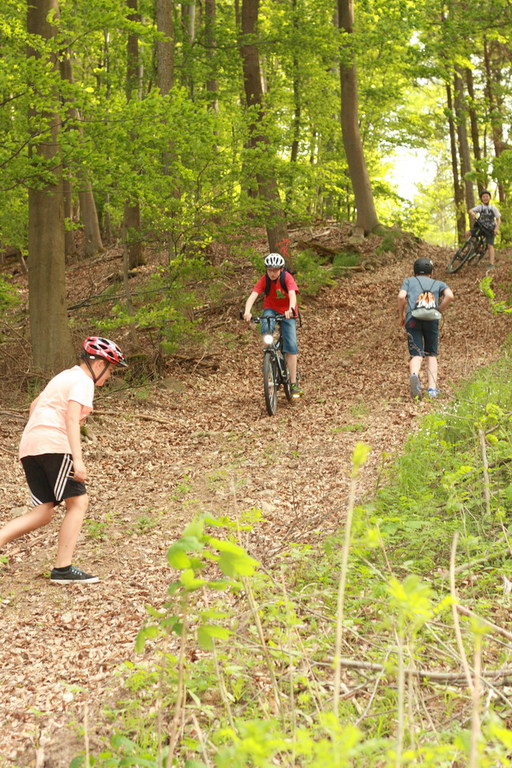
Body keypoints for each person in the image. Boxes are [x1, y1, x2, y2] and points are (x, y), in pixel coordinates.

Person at [0, 337, 127, 583]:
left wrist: (39, 433)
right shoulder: (84, 381)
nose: (110, 375)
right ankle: (63, 569)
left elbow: (34, 405)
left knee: (43, 512)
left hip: (30, 446)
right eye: (110, 369)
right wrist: (77, 460)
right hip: (53, 445)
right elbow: (71, 419)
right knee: (78, 502)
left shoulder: (63, 377)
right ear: (99, 364)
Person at [243, 252, 302, 396]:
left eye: (275, 270)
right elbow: (253, 295)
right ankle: (269, 355)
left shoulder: (287, 278)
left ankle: (293, 383)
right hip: (271, 309)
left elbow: (292, 294)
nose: (272, 273)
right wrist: (247, 312)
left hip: (287, 311)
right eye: (269, 270)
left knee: (291, 345)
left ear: (281, 269)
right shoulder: (265, 280)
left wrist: (291, 309)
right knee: (266, 327)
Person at [398, 257, 454, 400]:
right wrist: (439, 310)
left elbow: (401, 296)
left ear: (414, 271)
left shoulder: (409, 281)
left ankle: (414, 376)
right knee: (431, 354)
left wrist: (402, 314)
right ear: (431, 272)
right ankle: (432, 390)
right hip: (431, 320)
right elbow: (450, 296)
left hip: (413, 319)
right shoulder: (438, 283)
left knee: (416, 354)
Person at [469, 189, 501, 268]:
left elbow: (498, 220)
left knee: (490, 246)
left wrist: (496, 229)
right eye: (483, 197)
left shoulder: (493, 208)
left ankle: (491, 264)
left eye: (487, 196)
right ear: (481, 198)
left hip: (490, 228)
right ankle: (470, 249)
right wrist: (473, 214)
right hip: (480, 226)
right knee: (467, 233)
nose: (485, 198)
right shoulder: (480, 207)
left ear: (489, 198)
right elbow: (471, 210)